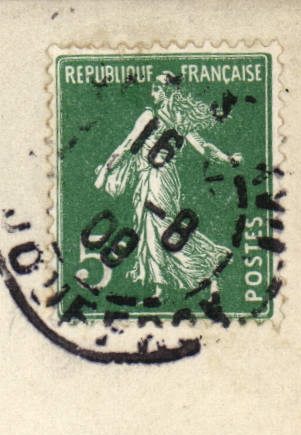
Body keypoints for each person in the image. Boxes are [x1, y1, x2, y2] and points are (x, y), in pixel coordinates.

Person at [96, 73, 243, 301]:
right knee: (159, 227)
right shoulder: (181, 123)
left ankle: (165, 286)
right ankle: (194, 277)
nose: (152, 93)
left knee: (156, 227)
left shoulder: (150, 116)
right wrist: (228, 158)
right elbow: (205, 149)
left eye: (156, 88)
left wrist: (105, 171)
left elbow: (126, 145)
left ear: (166, 92)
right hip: (166, 181)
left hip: (154, 180)